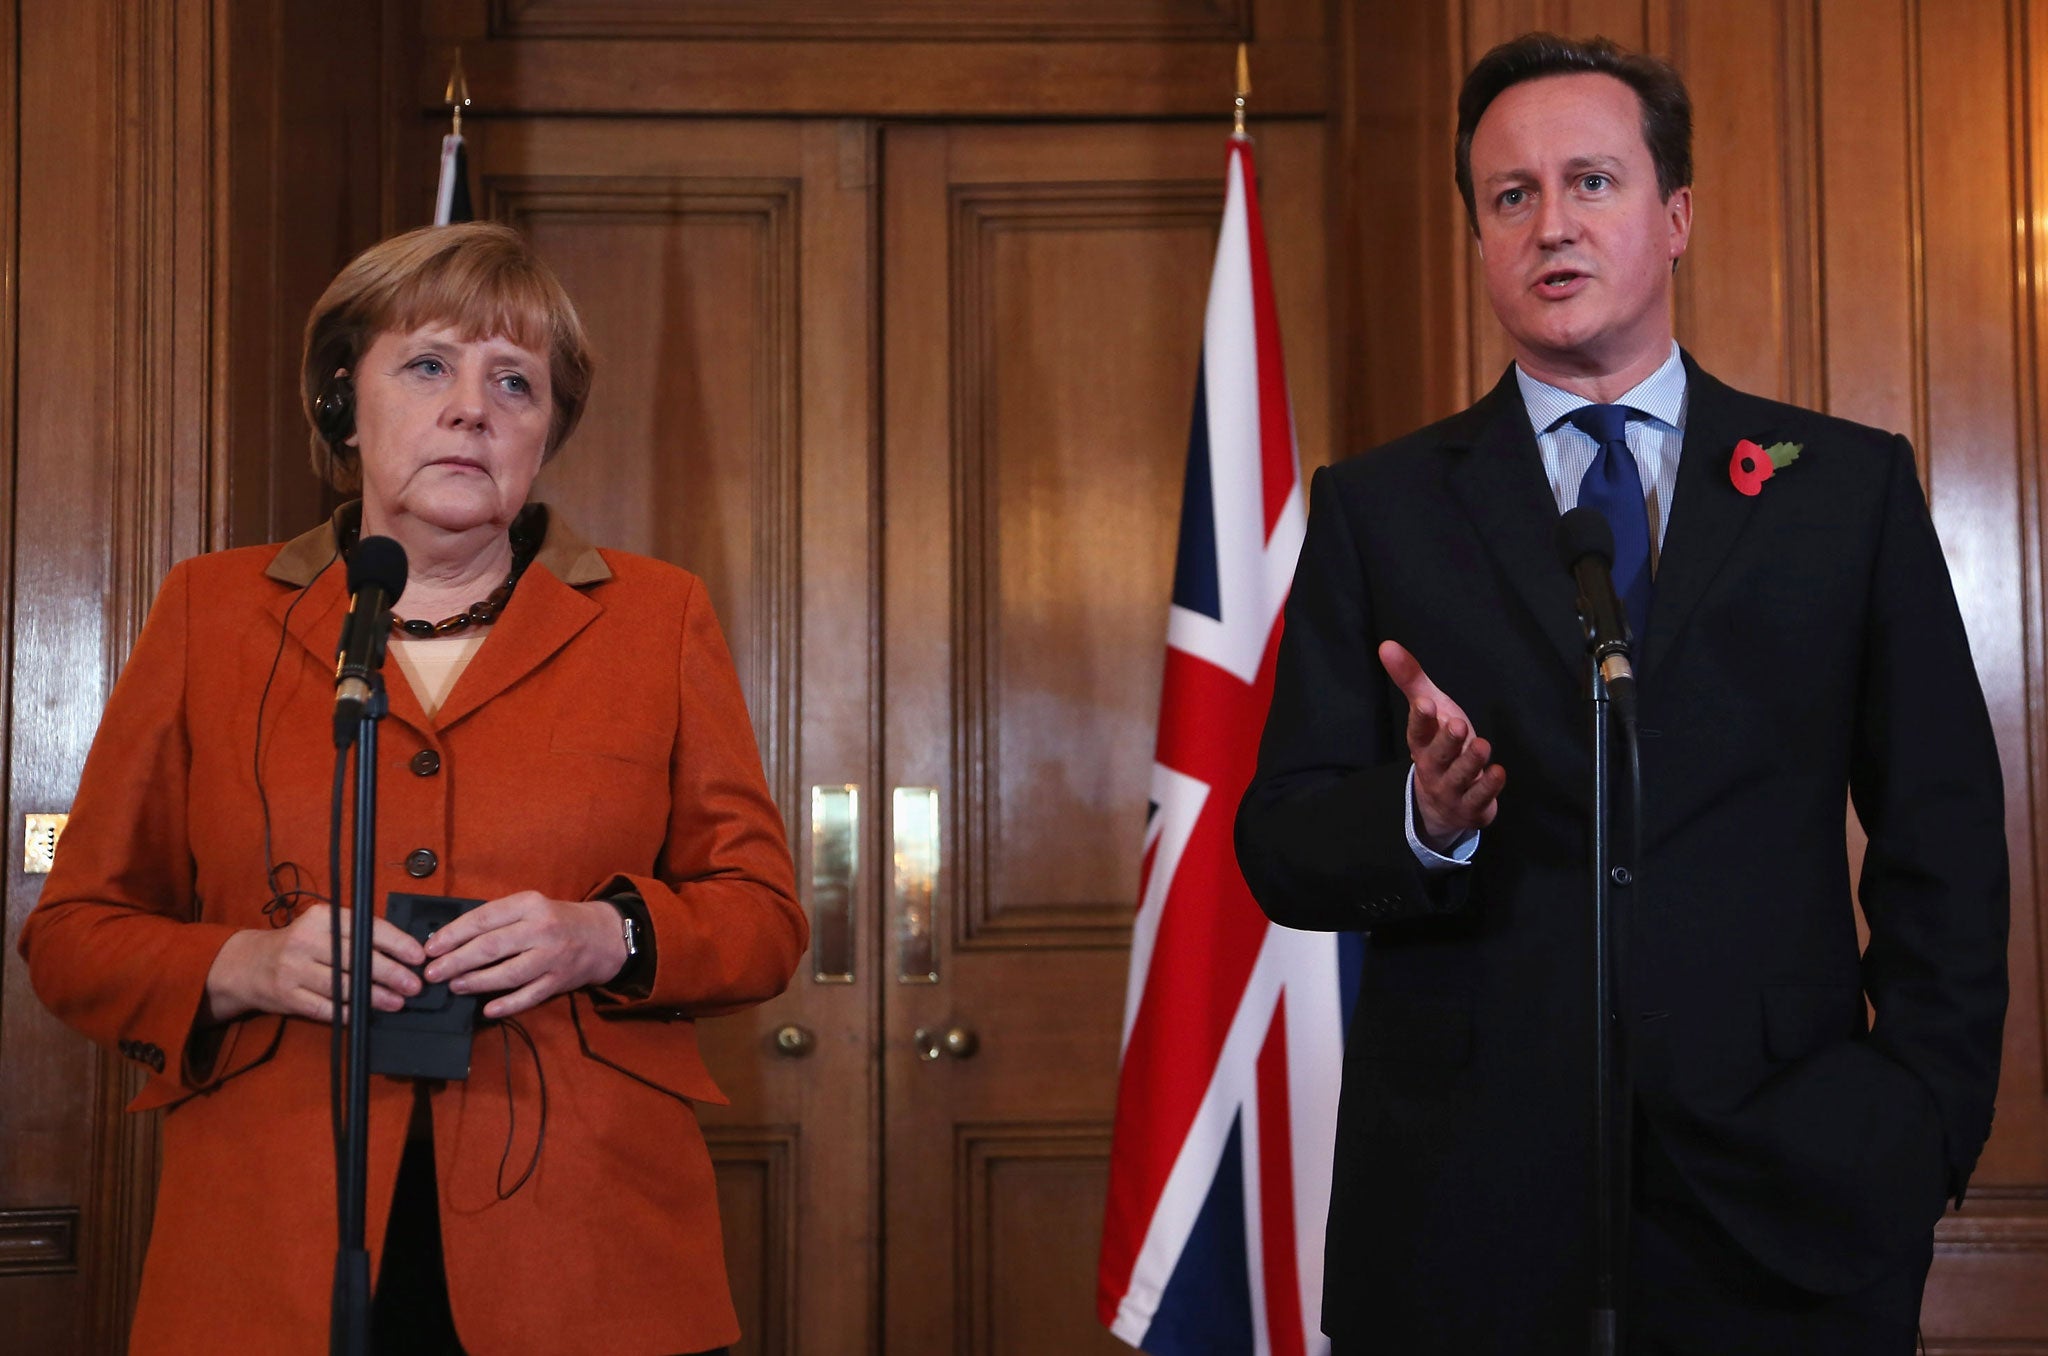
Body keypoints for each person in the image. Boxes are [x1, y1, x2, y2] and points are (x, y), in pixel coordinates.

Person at [1234, 32, 2008, 1356]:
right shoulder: (1381, 512)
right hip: (1463, 1215)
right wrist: (1422, 818)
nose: (1553, 226)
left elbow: (1945, 839)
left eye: (1592, 181)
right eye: (1512, 195)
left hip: (1789, 1196)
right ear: (1479, 237)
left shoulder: (1845, 491)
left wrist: (1916, 1122)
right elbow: (1282, 838)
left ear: (1676, 214)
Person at [18, 221, 807, 1355]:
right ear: (345, 401)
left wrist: (604, 936)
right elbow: (75, 934)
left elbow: (764, 918)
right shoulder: (209, 611)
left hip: (587, 1252)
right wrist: (242, 963)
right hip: (271, 1250)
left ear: (545, 430)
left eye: (515, 383)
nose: (472, 408)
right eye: (428, 365)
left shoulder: (655, 614)